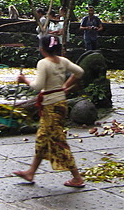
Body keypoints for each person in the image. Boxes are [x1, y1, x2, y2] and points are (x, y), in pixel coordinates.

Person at [12, 35, 85, 188]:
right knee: (42, 138)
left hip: (51, 106)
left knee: (58, 141)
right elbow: (79, 72)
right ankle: (31, 171)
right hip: (60, 104)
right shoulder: (62, 61)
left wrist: (24, 80)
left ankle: (77, 178)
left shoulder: (43, 63)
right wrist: (65, 85)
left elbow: (37, 86)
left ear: (42, 49)